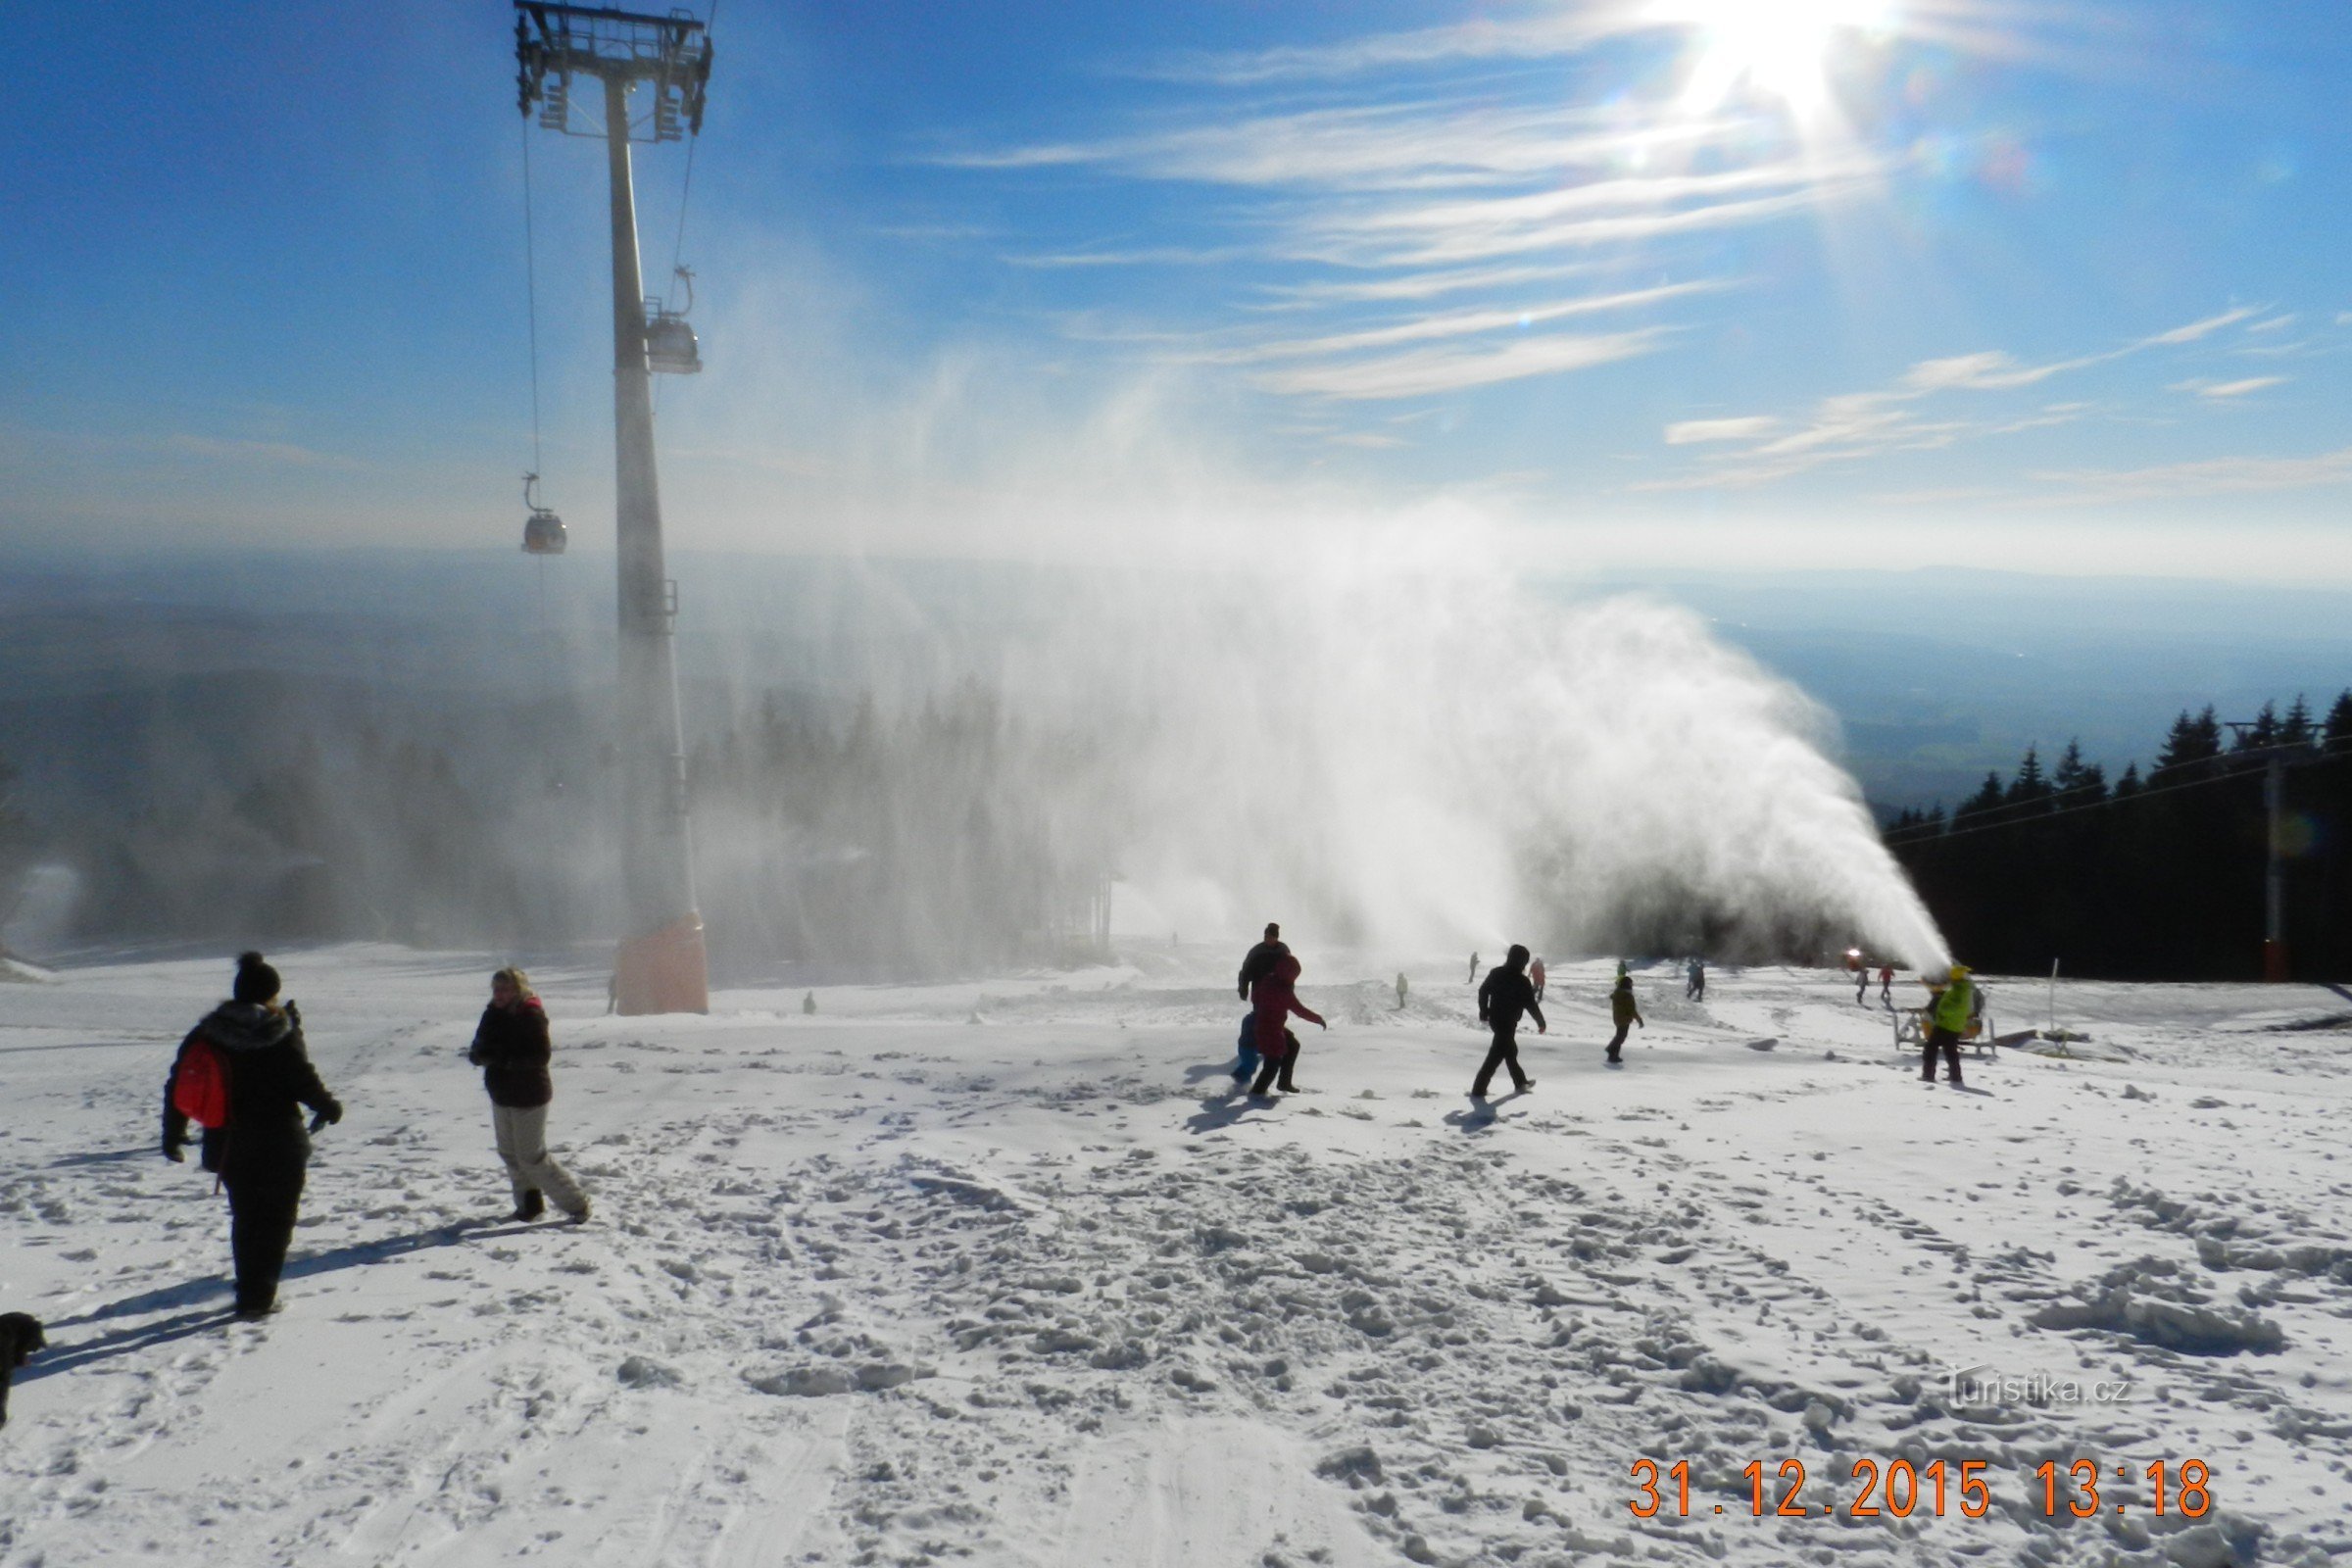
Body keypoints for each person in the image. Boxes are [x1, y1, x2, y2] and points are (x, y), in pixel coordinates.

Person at [162, 952, 343, 1320]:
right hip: (280, 1141)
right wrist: (328, 1106)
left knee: (246, 1217)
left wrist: (173, 1132)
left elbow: (180, 1081)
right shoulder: (278, 1030)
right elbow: (301, 1078)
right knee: (277, 1218)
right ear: (272, 993)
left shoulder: (207, 1032)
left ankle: (249, 1289)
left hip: (229, 1142)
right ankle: (260, 1295)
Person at [466, 967, 590, 1223]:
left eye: (505, 989)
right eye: (496, 989)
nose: (499, 994)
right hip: (502, 1093)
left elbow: (540, 1056)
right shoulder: (492, 1014)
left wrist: (503, 1059)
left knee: (532, 1157)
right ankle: (529, 1204)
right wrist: (478, 1055)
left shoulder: (530, 1014)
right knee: (509, 1153)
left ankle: (577, 1203)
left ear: (518, 989)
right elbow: (478, 1045)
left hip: (529, 1095)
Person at [1472, 945, 1546, 1098]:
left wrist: (1484, 1010)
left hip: (1497, 1020)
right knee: (1496, 1056)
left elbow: (1483, 991)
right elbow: (1531, 1005)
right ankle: (1478, 1090)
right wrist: (1540, 1022)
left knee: (1509, 1051)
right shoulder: (1522, 981)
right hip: (1507, 1022)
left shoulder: (1497, 973)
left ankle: (1520, 1082)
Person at [1249, 954, 1325, 1095]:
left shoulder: (1269, 979)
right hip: (1271, 1031)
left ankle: (1284, 1083)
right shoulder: (1283, 990)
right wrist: (1318, 1019)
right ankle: (1256, 1094)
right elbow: (1300, 1010)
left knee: (1293, 1045)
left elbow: (1255, 996)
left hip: (1267, 1025)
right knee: (1272, 1065)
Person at [1922, 963, 1974, 1086]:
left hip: (1946, 1025)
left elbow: (1955, 1008)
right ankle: (1955, 1076)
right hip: (1955, 1026)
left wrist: (1941, 1010)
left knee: (1930, 1049)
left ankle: (1928, 1075)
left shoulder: (1958, 991)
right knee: (1951, 1051)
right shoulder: (1963, 989)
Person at [1239, 922, 1290, 1001]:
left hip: (1278, 993)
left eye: (1270, 937)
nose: (1267, 939)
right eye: (1265, 937)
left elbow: (1290, 970)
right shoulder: (1257, 951)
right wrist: (1243, 989)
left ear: (1276, 938)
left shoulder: (1283, 950)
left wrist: (1289, 988)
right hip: (1259, 992)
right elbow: (1245, 971)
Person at [1605, 971, 1643, 1064]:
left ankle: (1613, 1055)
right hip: (1625, 1018)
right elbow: (1632, 1010)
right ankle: (1611, 1050)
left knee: (1620, 1036)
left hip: (1617, 1018)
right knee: (1621, 1037)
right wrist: (1639, 1020)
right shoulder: (1627, 996)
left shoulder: (1617, 994)